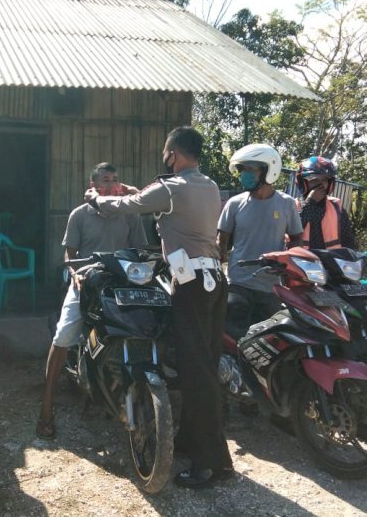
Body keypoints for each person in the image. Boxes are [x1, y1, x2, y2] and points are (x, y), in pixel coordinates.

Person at [85, 127, 233, 489]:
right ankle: (201, 447)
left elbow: (125, 206)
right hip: (215, 283)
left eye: (166, 154)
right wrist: (140, 191)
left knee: (195, 373)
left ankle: (206, 465)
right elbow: (160, 199)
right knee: (205, 368)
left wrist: (95, 198)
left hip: (192, 285)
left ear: (173, 155)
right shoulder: (209, 185)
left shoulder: (170, 188)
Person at [36, 162, 146, 440]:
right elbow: (69, 255)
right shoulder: (79, 215)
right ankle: (46, 407)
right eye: (105, 180)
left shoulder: (129, 214)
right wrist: (74, 275)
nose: (111, 185)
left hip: (121, 281)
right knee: (64, 335)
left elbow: (140, 250)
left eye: (115, 180)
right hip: (87, 281)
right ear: (93, 187)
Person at [218, 144, 303, 341]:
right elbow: (222, 238)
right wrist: (220, 256)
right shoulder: (235, 204)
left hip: (270, 287)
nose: (244, 175)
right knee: (232, 336)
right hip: (238, 282)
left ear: (268, 170)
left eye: (250, 169)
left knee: (266, 341)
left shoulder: (286, 203)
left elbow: (297, 238)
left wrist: (288, 260)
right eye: (242, 170)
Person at [295, 156, 356, 249]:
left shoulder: (337, 209)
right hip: (301, 261)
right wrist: (309, 204)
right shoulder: (293, 207)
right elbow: (292, 235)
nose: (320, 184)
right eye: (314, 180)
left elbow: (348, 243)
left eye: (324, 180)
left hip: (330, 261)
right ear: (304, 183)